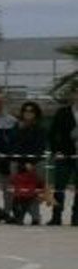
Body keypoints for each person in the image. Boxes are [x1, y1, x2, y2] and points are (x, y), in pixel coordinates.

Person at [50, 97, 76, 226]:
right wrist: (56, 151)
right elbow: (53, 133)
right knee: (59, 187)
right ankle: (56, 216)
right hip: (64, 155)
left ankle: (76, 217)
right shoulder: (62, 112)